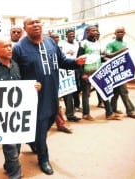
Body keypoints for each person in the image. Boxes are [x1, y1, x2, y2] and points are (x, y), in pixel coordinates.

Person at [12, 16, 86, 175]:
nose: (36, 25)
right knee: (40, 126)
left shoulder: (51, 42)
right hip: (34, 97)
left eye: (38, 22)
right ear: (25, 28)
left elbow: (62, 61)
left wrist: (76, 62)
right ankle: (43, 159)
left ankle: (33, 140)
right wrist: (26, 86)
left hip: (53, 93)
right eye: (31, 23)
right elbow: (14, 74)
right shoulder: (18, 49)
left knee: (51, 119)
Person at [0, 35, 41, 179]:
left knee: (17, 143)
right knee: (10, 146)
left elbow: (21, 87)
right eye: (5, 46)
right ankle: (15, 174)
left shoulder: (15, 65)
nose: (9, 49)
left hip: (17, 113)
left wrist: (33, 87)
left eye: (10, 46)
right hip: (2, 117)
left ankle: (9, 165)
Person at [77, 25, 120, 121]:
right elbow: (79, 59)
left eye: (96, 30)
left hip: (98, 71)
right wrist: (82, 74)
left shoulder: (97, 43)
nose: (96, 32)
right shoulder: (83, 44)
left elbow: (98, 56)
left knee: (103, 91)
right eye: (93, 30)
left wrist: (105, 59)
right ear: (88, 32)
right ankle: (86, 114)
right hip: (87, 72)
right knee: (86, 94)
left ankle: (109, 113)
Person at [105, 26, 135, 119]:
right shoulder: (111, 44)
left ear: (124, 33)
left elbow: (128, 58)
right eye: (118, 32)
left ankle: (113, 109)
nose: (120, 33)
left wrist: (134, 67)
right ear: (115, 33)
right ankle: (130, 110)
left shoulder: (125, 43)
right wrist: (122, 51)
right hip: (116, 72)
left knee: (116, 92)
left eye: (122, 32)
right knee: (124, 91)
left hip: (124, 71)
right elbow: (107, 54)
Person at [50, 32, 75, 133]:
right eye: (53, 37)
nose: (55, 39)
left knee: (57, 104)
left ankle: (61, 123)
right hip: (47, 82)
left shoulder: (59, 49)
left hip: (60, 80)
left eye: (57, 37)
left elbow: (64, 62)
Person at [59, 30, 82, 122]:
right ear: (66, 36)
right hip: (58, 72)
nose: (72, 36)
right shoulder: (61, 45)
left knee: (70, 92)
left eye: (73, 35)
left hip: (70, 71)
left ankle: (70, 114)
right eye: (70, 35)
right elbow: (61, 58)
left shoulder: (77, 44)